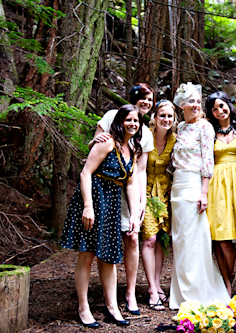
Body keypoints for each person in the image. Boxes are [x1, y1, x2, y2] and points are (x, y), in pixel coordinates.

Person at [60, 105, 143, 327]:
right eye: (128, 120)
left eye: (136, 121)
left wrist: (134, 214)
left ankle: (112, 306)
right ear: (119, 121)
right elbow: (85, 173)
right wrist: (88, 206)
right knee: (87, 255)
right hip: (95, 198)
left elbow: (132, 183)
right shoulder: (107, 142)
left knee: (109, 256)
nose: (133, 124)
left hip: (113, 202)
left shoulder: (132, 148)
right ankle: (83, 307)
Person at [90, 83, 155, 315]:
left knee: (133, 238)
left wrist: (141, 201)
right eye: (143, 98)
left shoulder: (145, 133)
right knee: (107, 238)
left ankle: (130, 292)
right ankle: (110, 294)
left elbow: (140, 170)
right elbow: (95, 146)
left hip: (129, 189)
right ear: (133, 99)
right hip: (105, 187)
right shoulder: (111, 117)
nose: (147, 103)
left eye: (151, 100)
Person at [169, 82, 230, 310]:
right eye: (190, 101)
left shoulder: (205, 127)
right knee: (181, 240)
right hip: (178, 186)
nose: (195, 105)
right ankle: (181, 290)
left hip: (195, 186)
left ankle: (198, 291)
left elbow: (208, 160)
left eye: (197, 101)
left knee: (195, 239)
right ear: (182, 105)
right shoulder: (180, 128)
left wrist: (203, 192)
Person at [205, 91, 236, 297]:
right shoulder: (209, 132)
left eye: (222, 106)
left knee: (231, 236)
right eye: (214, 108)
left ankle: (228, 278)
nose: (220, 111)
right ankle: (226, 283)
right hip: (216, 185)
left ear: (229, 105)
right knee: (220, 237)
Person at [141, 100, 177, 311]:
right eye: (162, 115)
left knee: (162, 238)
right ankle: (152, 289)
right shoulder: (144, 134)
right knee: (150, 238)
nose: (165, 119)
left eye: (169, 116)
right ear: (154, 117)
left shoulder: (175, 139)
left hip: (165, 191)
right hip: (144, 189)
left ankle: (157, 284)